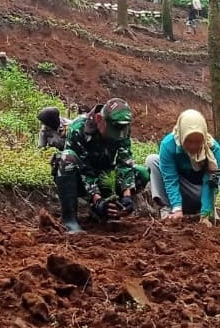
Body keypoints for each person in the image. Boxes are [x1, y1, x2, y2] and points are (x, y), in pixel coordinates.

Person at [53, 97, 150, 234]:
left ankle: (108, 211)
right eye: (113, 129)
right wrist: (97, 199)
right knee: (66, 158)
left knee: (142, 173)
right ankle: (70, 221)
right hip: (80, 179)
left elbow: (125, 162)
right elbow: (85, 170)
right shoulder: (78, 129)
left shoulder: (122, 130)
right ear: (99, 119)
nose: (117, 135)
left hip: (105, 177)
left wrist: (126, 195)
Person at [145, 109, 220, 227]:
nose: (193, 146)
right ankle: (167, 207)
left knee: (209, 188)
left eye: (198, 142)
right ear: (181, 135)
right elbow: (170, 178)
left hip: (198, 192)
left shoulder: (213, 149)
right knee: (152, 160)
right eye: (189, 141)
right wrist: (177, 208)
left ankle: (207, 209)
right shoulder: (169, 145)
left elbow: (211, 183)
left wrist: (205, 214)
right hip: (178, 188)